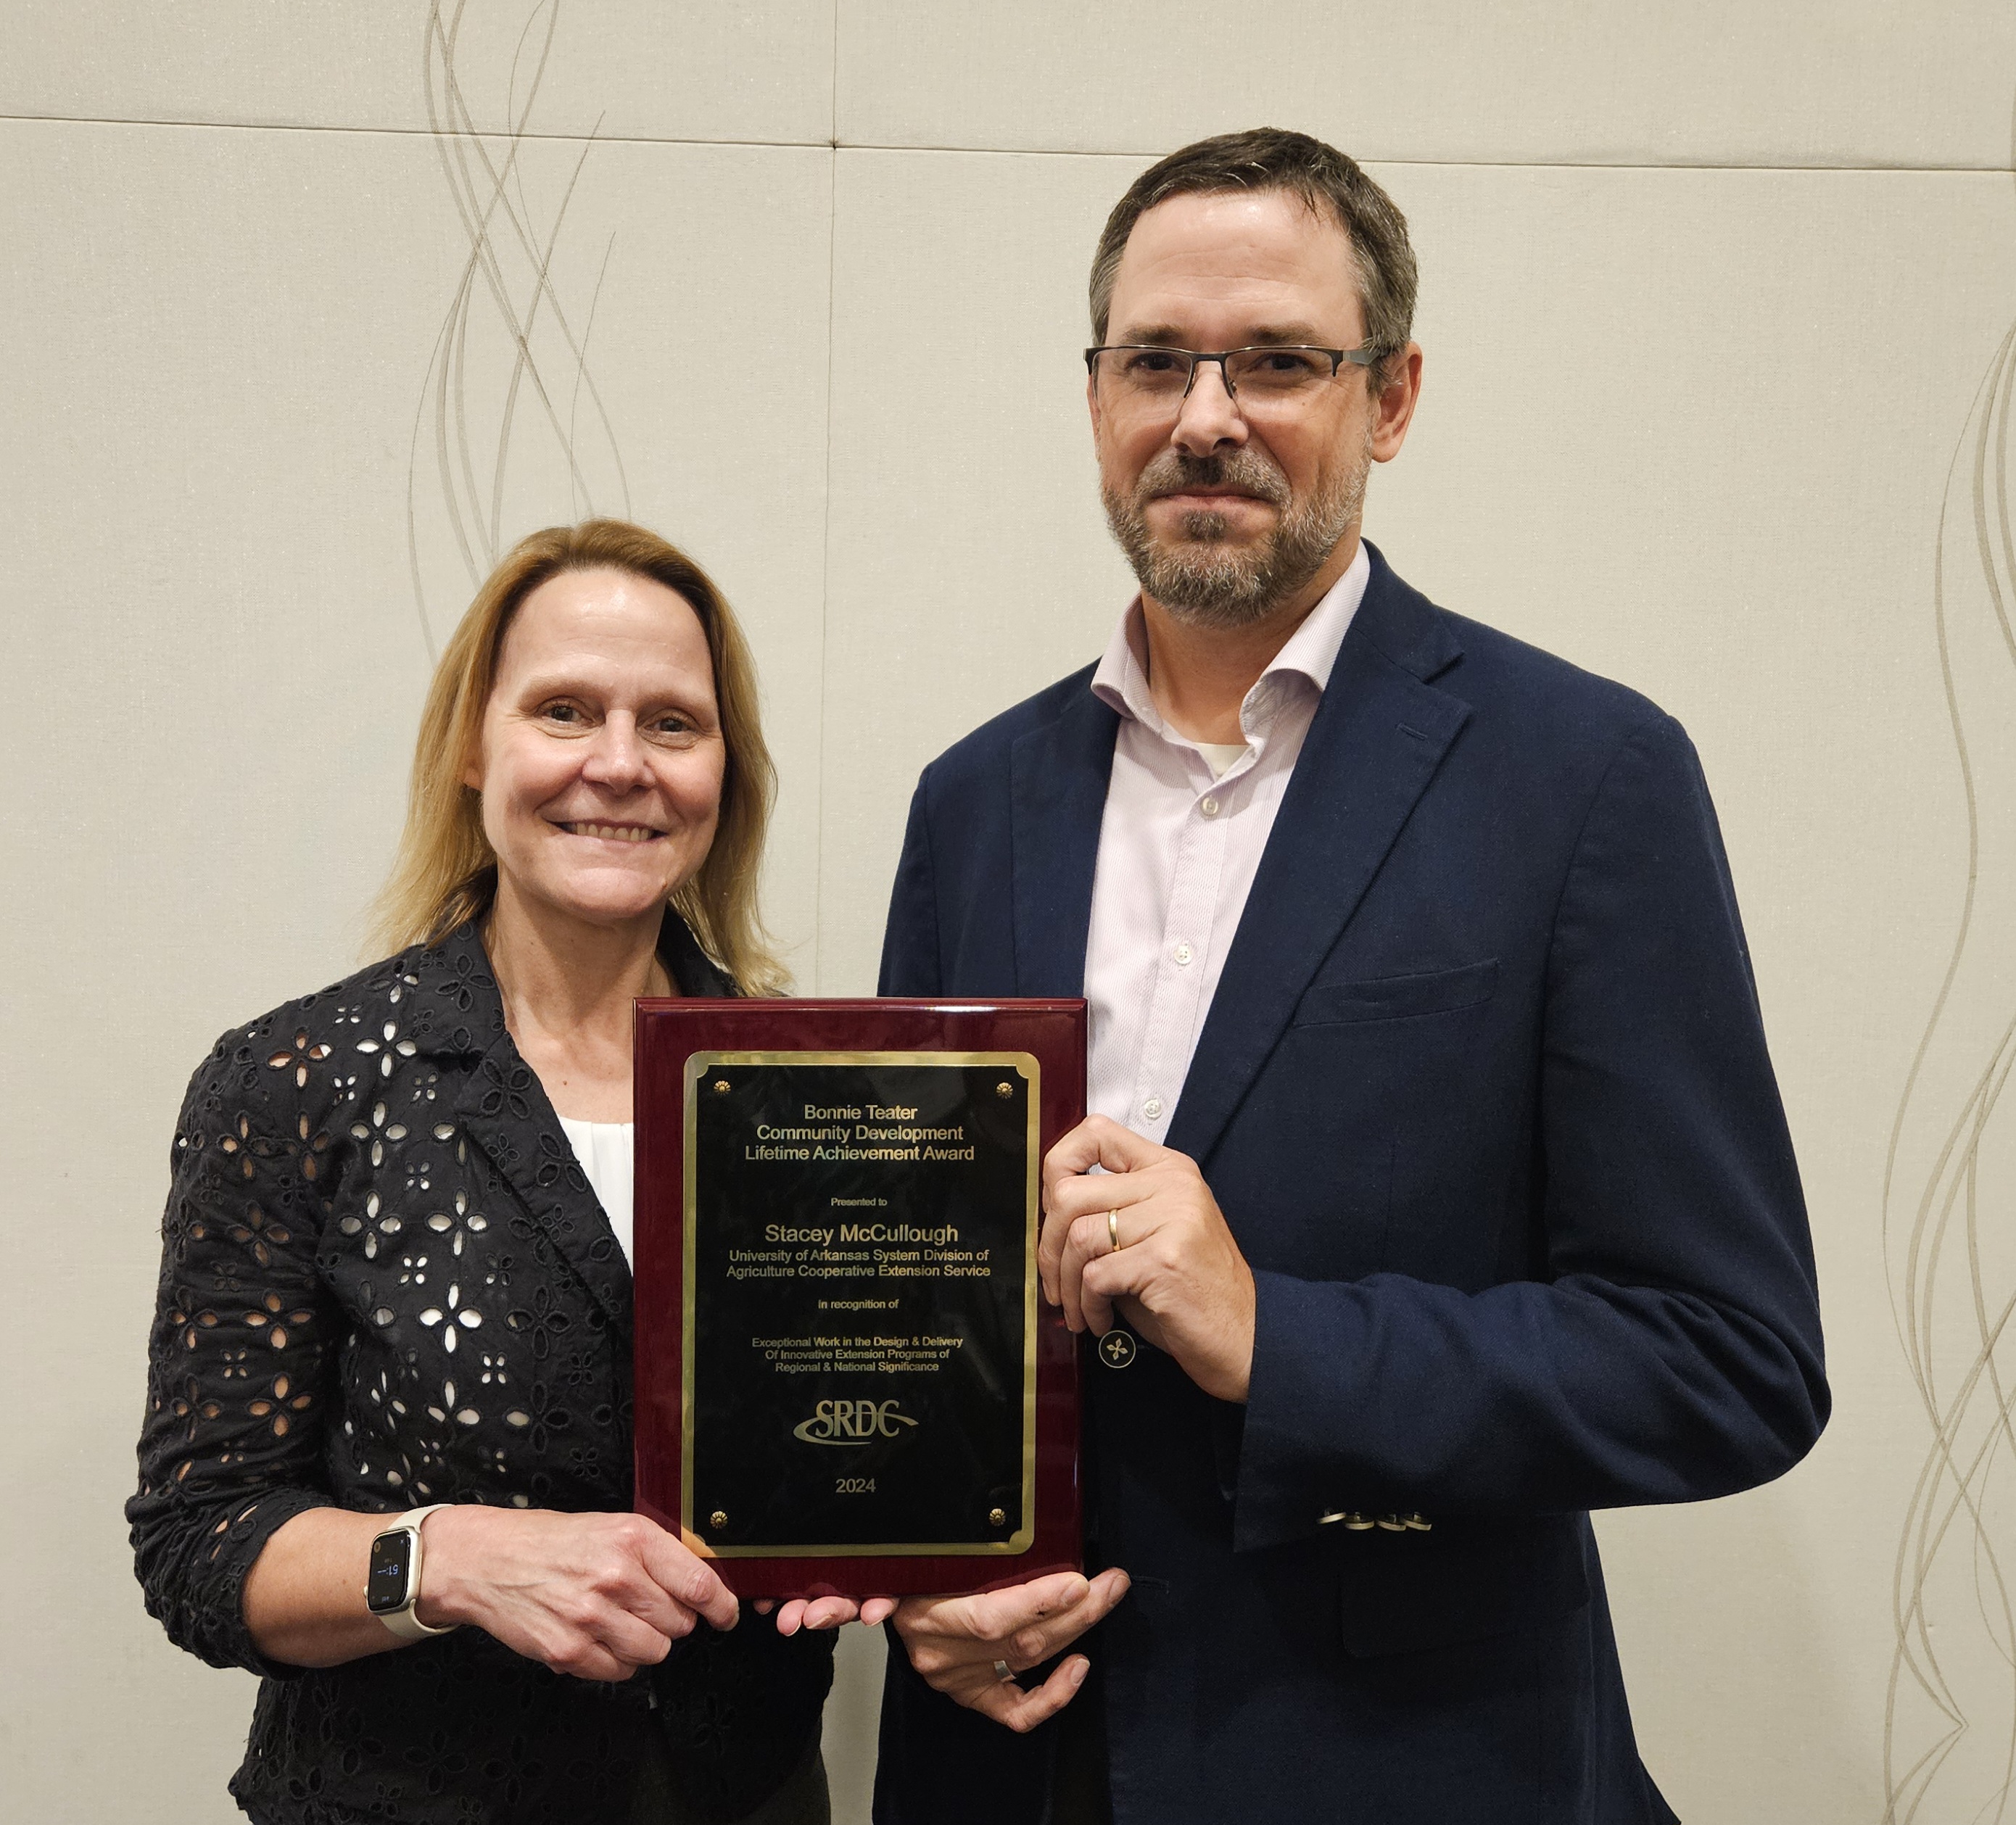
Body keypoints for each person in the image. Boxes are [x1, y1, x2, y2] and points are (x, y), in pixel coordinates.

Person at [872, 129, 1829, 1822]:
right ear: (1094, 393)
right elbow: (907, 1309)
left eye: (1281, 363)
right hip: (1016, 1766)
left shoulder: (1582, 776)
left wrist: (1275, 1337)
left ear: (1388, 397)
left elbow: (1724, 1357)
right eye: (1156, 359)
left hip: (1413, 1764)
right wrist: (915, 1588)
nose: (1207, 413)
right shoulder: (976, 800)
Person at [130, 519, 886, 1825]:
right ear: (473, 747)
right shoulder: (299, 1082)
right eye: (565, 709)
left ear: (723, 772)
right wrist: (452, 1556)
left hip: (750, 1796)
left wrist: (926, 1554)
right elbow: (198, 1545)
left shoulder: (812, 1092)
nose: (617, 763)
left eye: (672, 723)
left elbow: (875, 1439)